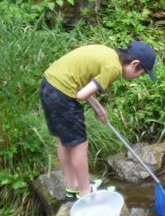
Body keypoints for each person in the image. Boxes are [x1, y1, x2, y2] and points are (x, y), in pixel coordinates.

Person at [40, 41, 157, 199]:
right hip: (63, 95)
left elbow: (82, 85)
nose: (138, 77)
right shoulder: (114, 68)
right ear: (135, 63)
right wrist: (96, 106)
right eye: (141, 73)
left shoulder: (108, 54)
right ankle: (85, 192)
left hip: (49, 85)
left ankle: (73, 186)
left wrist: (99, 108)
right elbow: (80, 94)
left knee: (64, 140)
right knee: (79, 144)